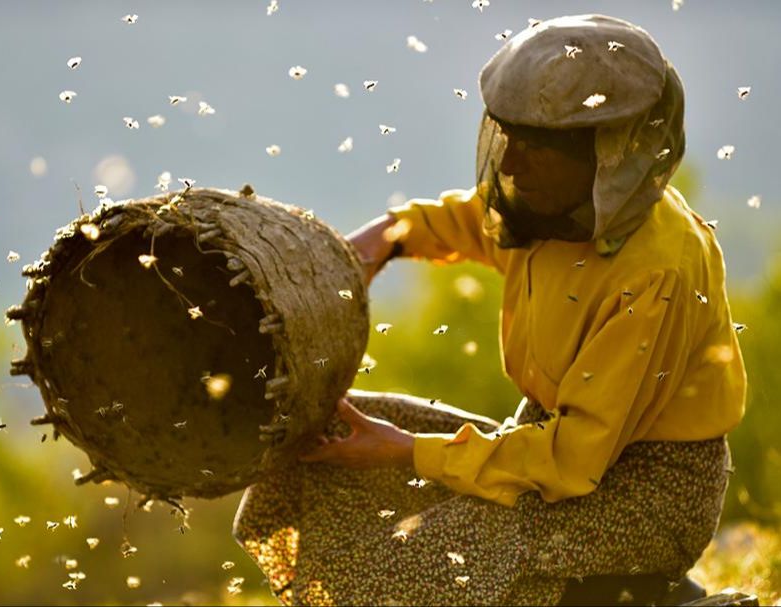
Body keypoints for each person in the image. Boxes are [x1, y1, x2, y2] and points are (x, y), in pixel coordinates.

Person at [233, 14, 746, 606]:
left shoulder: (656, 272)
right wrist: (382, 241)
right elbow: (468, 221)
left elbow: (570, 460)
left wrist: (402, 450)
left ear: (605, 154)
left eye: (534, 149)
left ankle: (641, 592)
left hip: (642, 495)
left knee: (427, 557)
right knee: (330, 436)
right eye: (509, 139)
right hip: (550, 450)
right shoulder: (555, 206)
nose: (509, 167)